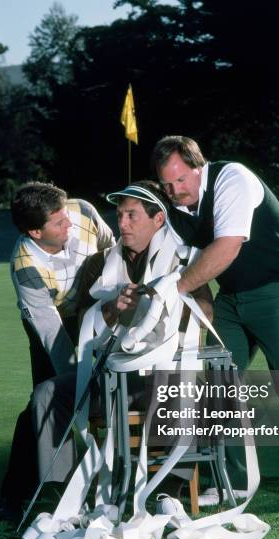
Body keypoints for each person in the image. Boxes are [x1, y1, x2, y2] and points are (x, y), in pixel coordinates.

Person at [151, 135, 279, 507]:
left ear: (198, 166)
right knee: (219, 382)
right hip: (232, 297)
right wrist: (199, 305)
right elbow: (191, 268)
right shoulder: (176, 210)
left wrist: (177, 289)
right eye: (168, 185)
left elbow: (226, 247)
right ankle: (233, 481)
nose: (176, 190)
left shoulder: (232, 178)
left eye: (182, 180)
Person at [30, 180, 213, 505]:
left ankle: (169, 490)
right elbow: (83, 327)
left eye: (132, 216)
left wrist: (159, 308)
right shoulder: (99, 264)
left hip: (159, 374)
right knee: (47, 394)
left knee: (185, 388)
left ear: (158, 219)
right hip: (108, 377)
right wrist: (113, 310)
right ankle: (62, 494)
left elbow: (204, 315)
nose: (122, 224)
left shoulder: (182, 262)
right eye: (119, 215)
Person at [0, 181, 115, 522]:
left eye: (66, 215)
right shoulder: (26, 267)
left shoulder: (83, 212)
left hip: (97, 308)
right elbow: (54, 337)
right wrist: (80, 380)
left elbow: (116, 255)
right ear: (35, 231)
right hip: (53, 321)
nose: (70, 224)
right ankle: (15, 493)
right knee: (48, 400)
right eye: (58, 223)